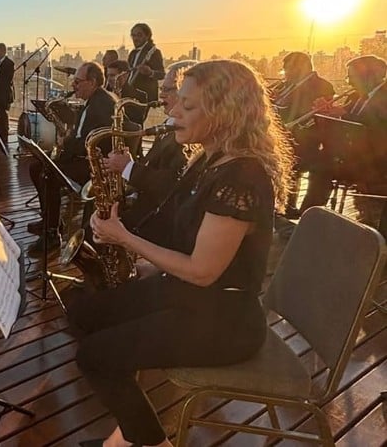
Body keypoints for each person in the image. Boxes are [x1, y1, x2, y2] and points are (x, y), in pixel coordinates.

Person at [63, 59, 293, 447]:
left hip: (223, 319)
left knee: (94, 356)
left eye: (187, 106)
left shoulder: (241, 178)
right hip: (190, 295)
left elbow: (203, 271)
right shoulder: (208, 159)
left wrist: (126, 240)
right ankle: (133, 433)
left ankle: (148, 442)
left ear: (225, 112)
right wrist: (133, 245)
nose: (171, 112)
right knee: (82, 309)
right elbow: (180, 233)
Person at [26, 62, 115, 256]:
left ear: (92, 82)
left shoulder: (103, 104)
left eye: (77, 81)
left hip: (94, 166)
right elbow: (83, 133)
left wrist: (66, 142)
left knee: (47, 175)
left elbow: (94, 143)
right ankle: (49, 219)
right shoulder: (93, 101)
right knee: (35, 168)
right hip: (82, 158)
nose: (73, 85)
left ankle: (52, 235)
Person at [103, 61, 195, 234]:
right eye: (162, 88)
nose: (161, 94)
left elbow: (171, 185)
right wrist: (129, 164)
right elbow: (154, 165)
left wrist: (128, 168)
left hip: (156, 217)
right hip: (144, 204)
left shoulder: (189, 136)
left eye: (168, 90)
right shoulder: (168, 125)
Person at [299, 55, 387, 214]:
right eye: (349, 78)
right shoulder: (355, 96)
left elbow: (377, 127)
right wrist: (327, 113)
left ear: (370, 76)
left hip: (374, 161)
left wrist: (343, 115)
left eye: (353, 77)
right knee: (320, 162)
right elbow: (343, 123)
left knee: (322, 165)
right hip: (353, 156)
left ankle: (309, 214)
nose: (350, 82)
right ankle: (308, 214)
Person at [271, 51, 335, 216]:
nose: (286, 73)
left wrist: (284, 106)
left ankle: (299, 210)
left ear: (302, 67)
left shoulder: (322, 86)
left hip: (307, 138)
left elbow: (312, 114)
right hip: (282, 136)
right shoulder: (286, 85)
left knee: (298, 161)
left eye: (288, 69)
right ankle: (282, 204)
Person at [127, 23, 165, 102]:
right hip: (132, 96)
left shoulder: (154, 52)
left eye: (139, 35)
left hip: (146, 98)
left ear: (147, 36)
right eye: (133, 35)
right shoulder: (132, 53)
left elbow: (162, 74)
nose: (135, 38)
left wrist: (150, 72)